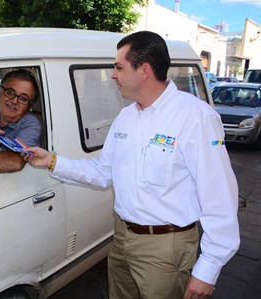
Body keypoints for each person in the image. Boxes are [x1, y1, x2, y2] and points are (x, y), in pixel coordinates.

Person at [23, 31, 239, 299]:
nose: (113, 74)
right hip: (122, 239)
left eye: (118, 67)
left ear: (144, 70)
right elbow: (103, 172)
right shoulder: (126, 118)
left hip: (165, 248)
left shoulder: (196, 117)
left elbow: (219, 197)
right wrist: (52, 161)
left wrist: (208, 269)